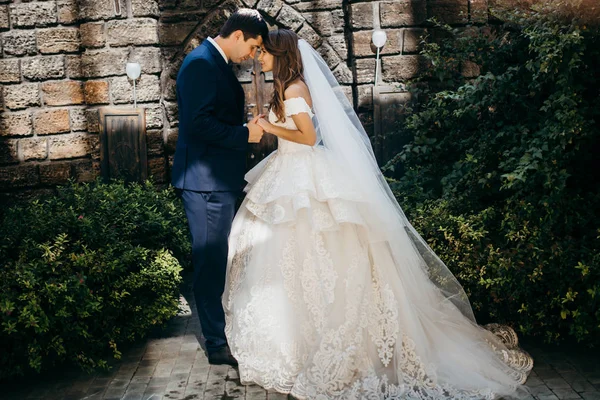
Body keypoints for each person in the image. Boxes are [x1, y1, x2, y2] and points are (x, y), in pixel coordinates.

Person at [223, 29, 534, 399]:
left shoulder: (294, 89)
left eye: (264, 52)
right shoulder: (286, 88)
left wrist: (266, 126)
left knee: (318, 256)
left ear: (281, 53)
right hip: (290, 175)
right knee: (293, 259)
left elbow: (307, 138)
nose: (259, 57)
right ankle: (295, 339)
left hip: (304, 179)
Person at [171, 8, 268, 367]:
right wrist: (245, 135)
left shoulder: (216, 62)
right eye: (255, 46)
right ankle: (215, 343)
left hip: (219, 181)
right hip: (205, 183)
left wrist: (246, 126)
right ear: (239, 34)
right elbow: (197, 125)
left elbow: (214, 115)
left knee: (221, 260)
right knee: (211, 262)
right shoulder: (200, 63)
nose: (254, 55)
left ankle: (223, 332)